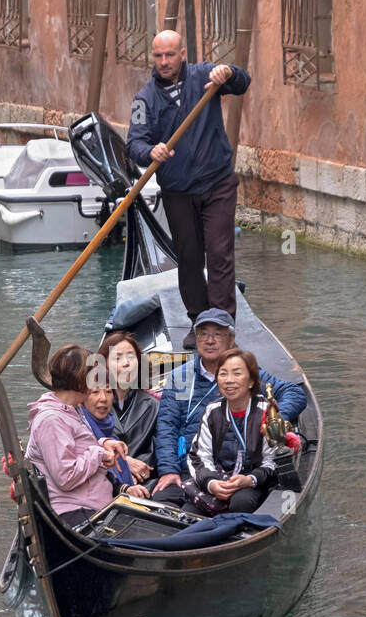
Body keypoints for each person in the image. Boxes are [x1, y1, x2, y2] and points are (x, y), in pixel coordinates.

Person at [127, 29, 250, 350]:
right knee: (190, 258)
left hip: (217, 182)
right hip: (178, 190)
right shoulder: (145, 99)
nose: (164, 62)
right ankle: (199, 321)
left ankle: (221, 325)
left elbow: (242, 83)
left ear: (183, 53)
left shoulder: (204, 76)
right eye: (158, 56)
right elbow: (134, 144)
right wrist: (150, 151)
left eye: (170, 55)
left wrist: (229, 73)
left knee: (220, 253)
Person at [152, 308, 307, 505]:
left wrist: (273, 421)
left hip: (241, 469)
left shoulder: (247, 374)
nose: (210, 340)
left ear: (230, 340)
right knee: (162, 499)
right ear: (196, 338)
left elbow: (294, 393)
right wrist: (168, 470)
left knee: (242, 502)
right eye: (203, 334)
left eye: (217, 334)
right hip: (192, 467)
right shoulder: (180, 378)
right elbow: (167, 427)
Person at [25, 344, 129, 527]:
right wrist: (100, 454)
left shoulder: (72, 410)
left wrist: (104, 443)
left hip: (95, 505)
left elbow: (76, 445)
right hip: (76, 512)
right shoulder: (51, 420)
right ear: (81, 380)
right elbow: (66, 476)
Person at [186, 349, 277, 515]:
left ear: (251, 381)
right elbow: (199, 455)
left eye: (237, 374)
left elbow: (272, 459)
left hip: (254, 481)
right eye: (223, 374)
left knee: (241, 502)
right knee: (187, 511)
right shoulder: (212, 411)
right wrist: (211, 482)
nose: (229, 381)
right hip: (221, 478)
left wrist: (250, 479)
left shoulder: (266, 411)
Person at [98, 330, 159, 485]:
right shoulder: (91, 405)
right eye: (117, 358)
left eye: (131, 357)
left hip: (146, 477)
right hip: (105, 478)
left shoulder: (153, 404)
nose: (126, 363)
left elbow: (159, 447)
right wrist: (125, 465)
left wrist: (138, 470)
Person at [82, 382, 151, 500]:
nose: (103, 398)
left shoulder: (109, 427)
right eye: (95, 392)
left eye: (108, 391)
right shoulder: (80, 429)